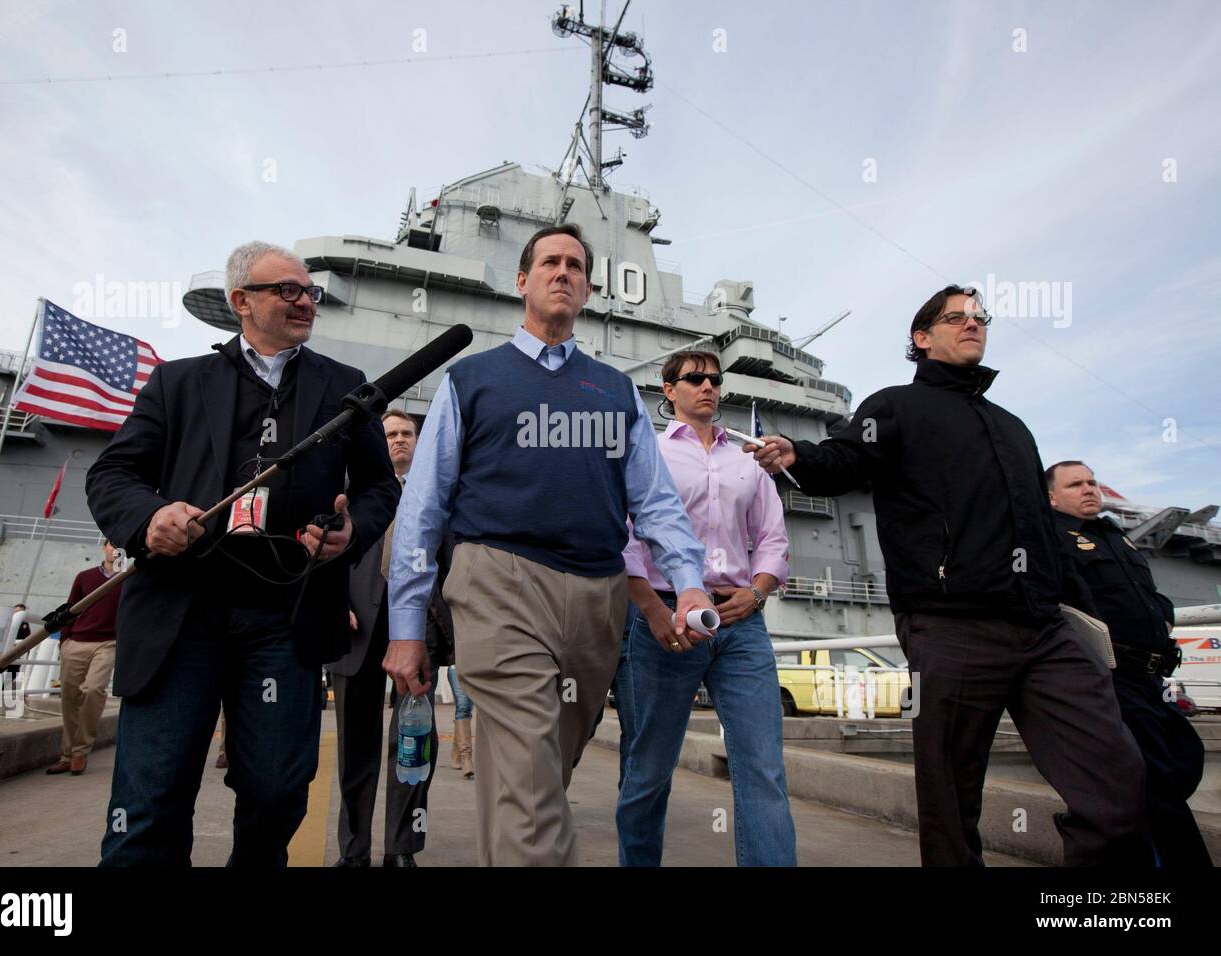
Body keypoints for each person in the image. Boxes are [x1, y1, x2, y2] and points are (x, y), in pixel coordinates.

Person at [746, 285, 1152, 866]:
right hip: (951, 625)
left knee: (1117, 781)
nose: (972, 325)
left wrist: (1084, 617)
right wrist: (797, 455)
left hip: (1044, 630)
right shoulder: (895, 407)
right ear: (921, 337)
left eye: (980, 318)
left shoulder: (1013, 428)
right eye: (956, 317)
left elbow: (1042, 531)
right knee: (951, 802)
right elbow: (848, 459)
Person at [387, 223, 715, 865]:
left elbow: (653, 501)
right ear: (522, 281)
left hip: (597, 600)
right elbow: (422, 511)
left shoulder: (616, 391)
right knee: (532, 790)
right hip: (499, 583)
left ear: (588, 288)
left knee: (539, 777)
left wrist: (690, 578)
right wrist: (406, 625)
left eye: (575, 265)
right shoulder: (470, 381)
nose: (562, 271)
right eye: (549, 262)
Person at [86, 240, 399, 866]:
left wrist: (349, 534)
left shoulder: (347, 388)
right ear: (241, 302)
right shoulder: (174, 383)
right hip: (181, 611)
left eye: (310, 292)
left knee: (278, 792)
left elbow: (378, 488)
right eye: (288, 290)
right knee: (148, 802)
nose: (305, 301)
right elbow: (113, 474)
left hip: (285, 617)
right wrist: (150, 517)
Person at [615, 350, 796, 866]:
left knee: (763, 767)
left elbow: (772, 539)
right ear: (668, 390)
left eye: (715, 379)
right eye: (695, 378)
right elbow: (626, 540)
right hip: (665, 616)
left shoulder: (749, 458)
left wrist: (757, 593)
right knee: (649, 768)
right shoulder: (647, 452)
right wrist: (650, 610)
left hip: (742, 623)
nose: (708, 387)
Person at [1048, 460, 1213, 866]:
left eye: (1092, 482)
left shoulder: (1115, 538)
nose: (1089, 489)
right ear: (1050, 496)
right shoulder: (1051, 538)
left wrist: (1160, 612)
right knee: (1152, 779)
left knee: (1185, 757)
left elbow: (1145, 592)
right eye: (1075, 485)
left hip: (1151, 677)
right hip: (1108, 675)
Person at [330, 408, 452, 868]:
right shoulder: (346, 493)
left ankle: (402, 848)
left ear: (418, 442)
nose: (399, 440)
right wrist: (333, 605)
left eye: (406, 433)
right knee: (354, 747)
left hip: (418, 628)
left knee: (415, 741)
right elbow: (326, 557)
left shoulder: (439, 493)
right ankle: (353, 850)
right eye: (390, 434)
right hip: (355, 625)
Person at [44, 543, 122, 776]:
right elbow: (70, 609)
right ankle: (66, 756)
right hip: (76, 642)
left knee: (93, 689)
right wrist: (65, 641)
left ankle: (80, 752)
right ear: (104, 548)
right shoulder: (84, 577)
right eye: (111, 545)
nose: (115, 550)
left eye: (120, 547)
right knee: (70, 697)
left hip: (108, 643)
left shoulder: (128, 578)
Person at [447, 665, 474, 779]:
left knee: (466, 707)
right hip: (456, 664)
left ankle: (456, 755)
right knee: (463, 706)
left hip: (478, 665)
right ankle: (466, 758)